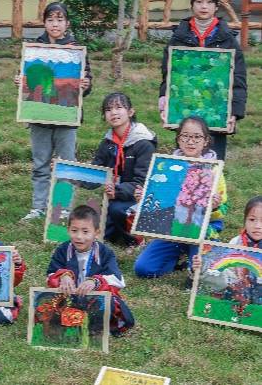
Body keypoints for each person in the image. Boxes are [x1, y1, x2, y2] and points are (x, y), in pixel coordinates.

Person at [15, 2, 92, 220]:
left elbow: (87, 82)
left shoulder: (77, 50)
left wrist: (85, 85)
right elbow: (27, 79)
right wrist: (20, 81)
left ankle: (64, 208)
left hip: (67, 118)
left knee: (66, 164)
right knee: (40, 163)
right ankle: (38, 207)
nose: (55, 24)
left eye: (59, 19)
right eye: (50, 19)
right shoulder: (34, 49)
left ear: (67, 23)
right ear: (44, 23)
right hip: (39, 119)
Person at [158, 0, 247, 160]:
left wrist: (234, 112)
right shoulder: (178, 38)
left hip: (216, 116)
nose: (204, 6)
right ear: (192, 5)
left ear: (216, 6)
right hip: (186, 113)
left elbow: (238, 80)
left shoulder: (228, 40)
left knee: (212, 169)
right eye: (199, 1)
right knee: (185, 165)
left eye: (209, 2)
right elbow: (168, 76)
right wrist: (165, 103)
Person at [134, 116, 228, 279]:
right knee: (143, 269)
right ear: (178, 139)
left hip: (201, 230)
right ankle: (177, 258)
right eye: (185, 136)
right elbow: (160, 202)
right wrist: (144, 199)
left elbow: (224, 209)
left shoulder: (214, 170)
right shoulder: (167, 167)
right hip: (172, 228)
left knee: (200, 274)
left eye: (197, 137)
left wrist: (214, 207)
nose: (190, 141)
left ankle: (192, 256)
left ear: (206, 141)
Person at [46, 205, 135, 336]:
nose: (79, 237)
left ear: (96, 233)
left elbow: (118, 280)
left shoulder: (105, 253)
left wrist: (96, 282)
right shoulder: (62, 250)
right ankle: (71, 324)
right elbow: (50, 275)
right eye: (74, 230)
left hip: (94, 301)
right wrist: (62, 276)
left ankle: (94, 328)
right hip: (69, 298)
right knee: (50, 306)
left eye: (85, 232)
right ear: (68, 230)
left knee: (108, 302)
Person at [91, 93, 156, 247]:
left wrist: (117, 191)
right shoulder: (107, 143)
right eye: (108, 109)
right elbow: (96, 173)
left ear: (130, 112)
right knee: (96, 227)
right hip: (114, 195)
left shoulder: (144, 144)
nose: (113, 112)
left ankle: (136, 240)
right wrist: (69, 172)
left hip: (139, 197)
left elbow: (142, 182)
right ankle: (118, 232)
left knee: (117, 210)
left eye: (119, 107)